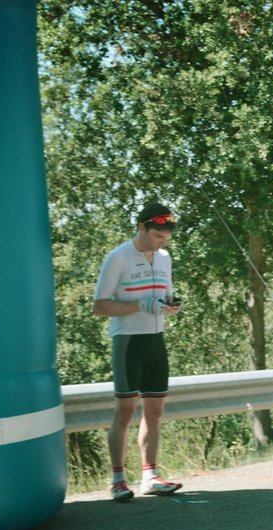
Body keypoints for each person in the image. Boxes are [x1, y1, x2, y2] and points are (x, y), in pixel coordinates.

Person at [93, 202, 185, 501]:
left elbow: (163, 296)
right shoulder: (118, 257)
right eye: (158, 235)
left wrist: (170, 306)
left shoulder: (164, 257)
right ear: (141, 227)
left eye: (166, 237)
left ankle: (150, 475)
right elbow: (100, 306)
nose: (163, 242)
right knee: (125, 410)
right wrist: (140, 305)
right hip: (128, 340)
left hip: (155, 339)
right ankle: (118, 478)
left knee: (155, 410)